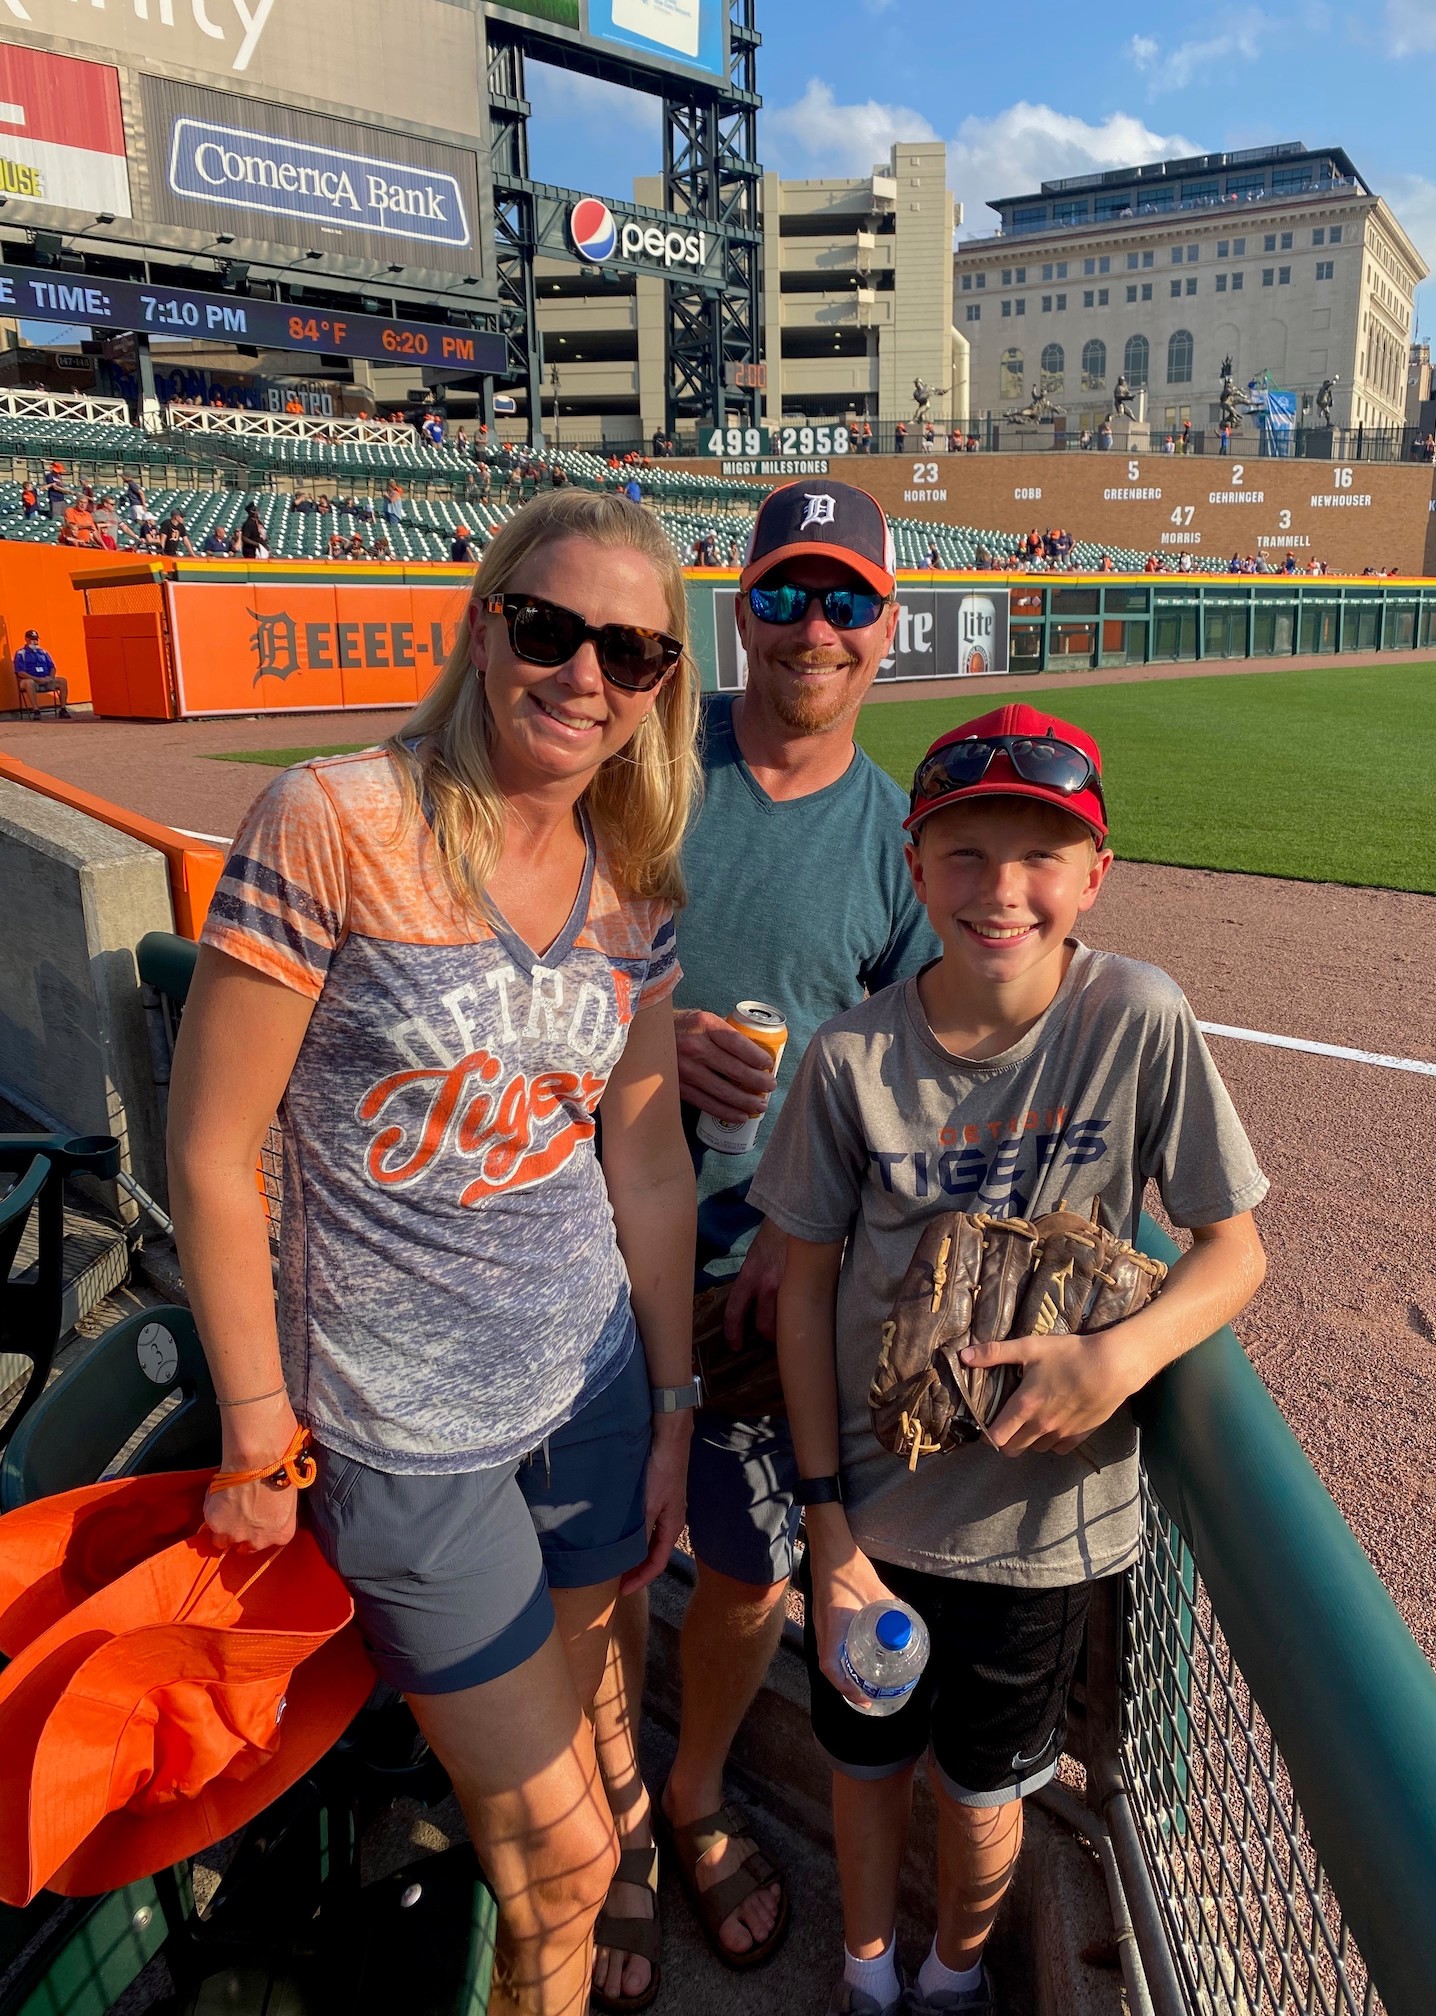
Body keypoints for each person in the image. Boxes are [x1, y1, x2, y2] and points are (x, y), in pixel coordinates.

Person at [166, 489, 702, 2016]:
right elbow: (212, 1152)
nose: (581, 673)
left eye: (631, 650)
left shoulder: (633, 874)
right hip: (404, 1440)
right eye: (547, 627)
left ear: (661, 683)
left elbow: (646, 1158)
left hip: (592, 1386)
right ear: (482, 629)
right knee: (564, 1867)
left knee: (591, 1726)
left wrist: (669, 1410)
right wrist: (262, 1430)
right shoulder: (337, 819)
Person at [754, 703, 1268, 2015]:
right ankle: (867, 1977)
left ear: (1095, 876)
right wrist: (823, 1520)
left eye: (1042, 855)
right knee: (864, 1771)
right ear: (917, 870)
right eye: (966, 854)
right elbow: (807, 1288)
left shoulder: (1138, 1018)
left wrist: (1120, 1360)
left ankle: (948, 1977)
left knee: (987, 1795)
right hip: (872, 1518)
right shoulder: (852, 1056)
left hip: (1042, 1531)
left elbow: (1233, 1250)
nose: (1003, 891)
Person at [589, 481, 938, 2008]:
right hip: (579, 1230)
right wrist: (650, 1038)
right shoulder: (653, 758)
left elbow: (916, 1069)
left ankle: (697, 1790)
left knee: (745, 1577)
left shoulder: (897, 844)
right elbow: (519, 940)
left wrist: (812, 1235)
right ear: (744, 609)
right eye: (788, 594)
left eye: (846, 600)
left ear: (888, 628)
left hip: (757, 1275)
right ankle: (609, 1828)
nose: (815, 627)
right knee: (595, 1569)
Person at [14, 628, 70, 718]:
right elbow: (20, 672)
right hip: (31, 680)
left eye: (36, 639)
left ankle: (63, 709)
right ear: (27, 640)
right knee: (29, 682)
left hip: (45, 680)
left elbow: (52, 667)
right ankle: (36, 710)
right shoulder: (21, 653)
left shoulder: (43, 652)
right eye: (32, 639)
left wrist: (50, 678)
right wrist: (37, 679)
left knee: (62, 681)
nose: (35, 642)